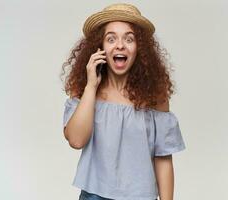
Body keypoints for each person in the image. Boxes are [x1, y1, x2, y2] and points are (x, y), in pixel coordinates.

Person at [61, 3, 186, 200]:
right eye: (111, 38)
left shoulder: (155, 97)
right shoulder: (85, 91)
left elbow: (163, 159)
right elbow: (76, 140)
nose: (120, 45)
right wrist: (91, 87)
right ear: (100, 47)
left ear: (139, 48)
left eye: (129, 39)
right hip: (95, 195)